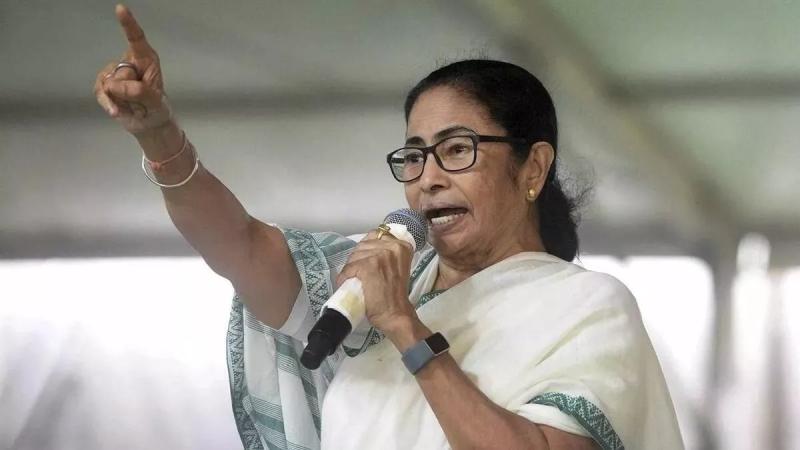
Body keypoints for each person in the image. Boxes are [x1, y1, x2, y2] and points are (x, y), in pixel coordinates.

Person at [95, 5, 683, 450]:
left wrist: (405, 327)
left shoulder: (585, 308)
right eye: (414, 157)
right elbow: (240, 246)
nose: (428, 178)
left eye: (457, 149)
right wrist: (158, 137)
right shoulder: (368, 290)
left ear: (533, 167)